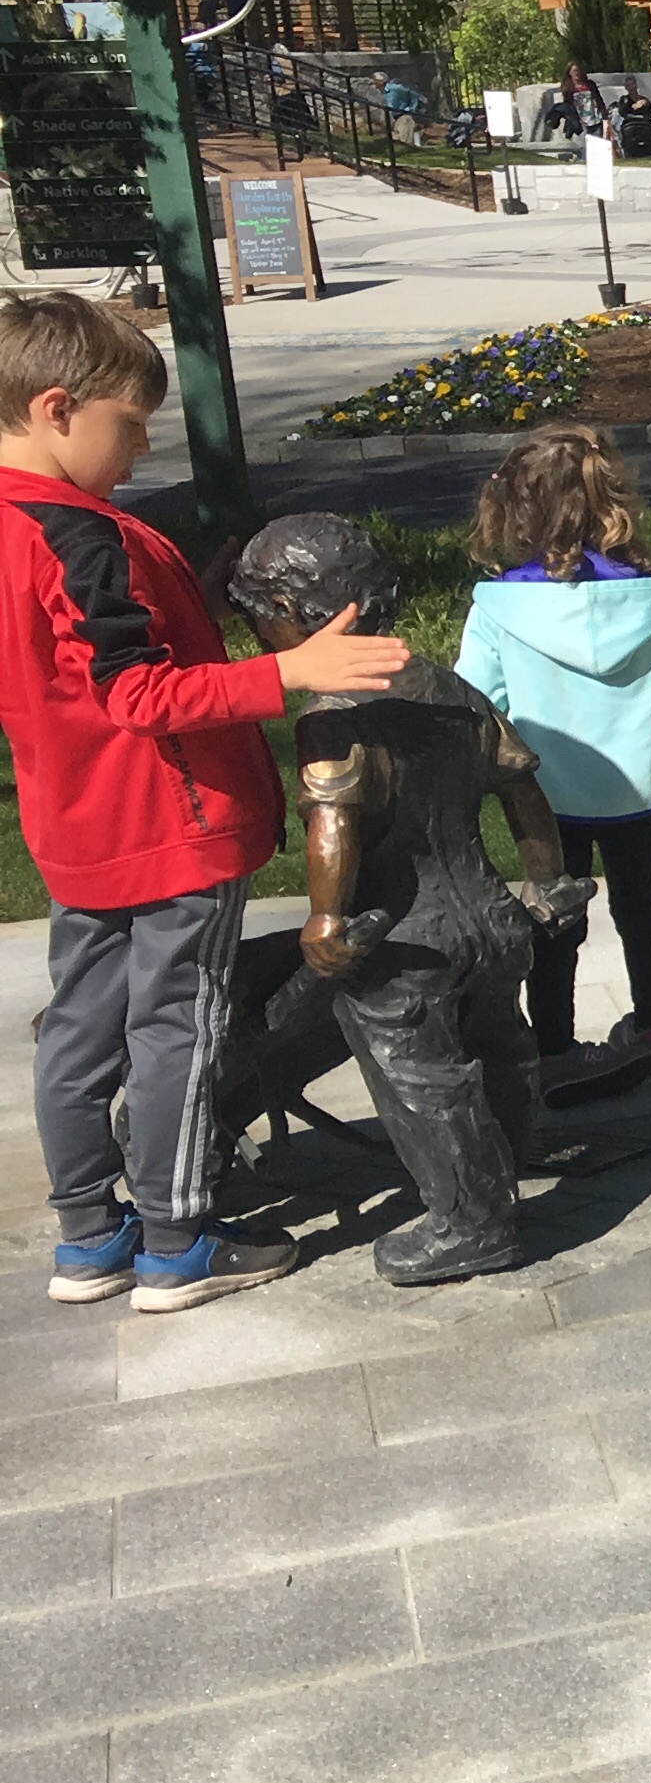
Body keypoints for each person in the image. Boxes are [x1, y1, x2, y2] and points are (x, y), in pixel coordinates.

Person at [0, 295, 407, 1311]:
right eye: (129, 427)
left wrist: (198, 587)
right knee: (178, 1026)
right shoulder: (76, 535)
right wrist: (289, 673)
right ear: (56, 409)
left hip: (77, 827)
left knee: (79, 1032)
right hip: (170, 831)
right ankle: (177, 1238)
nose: (138, 453)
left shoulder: (16, 526)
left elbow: (80, 661)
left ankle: (90, 1235)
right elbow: (133, 694)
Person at [226, 516, 580, 1286]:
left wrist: (324, 919)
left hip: (405, 937)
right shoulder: (453, 690)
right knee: (498, 1046)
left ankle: (472, 1224)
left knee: (425, 1081)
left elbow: (334, 820)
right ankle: (507, 1163)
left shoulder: (334, 712)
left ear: (298, 613)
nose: (260, 636)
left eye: (261, 618)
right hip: (489, 914)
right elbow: (523, 788)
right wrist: (545, 882)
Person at [455, 426, 651, 1071]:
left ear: (515, 509)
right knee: (641, 902)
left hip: (546, 792)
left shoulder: (500, 603)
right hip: (635, 784)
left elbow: (479, 695)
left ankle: (554, 1045)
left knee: (554, 912)